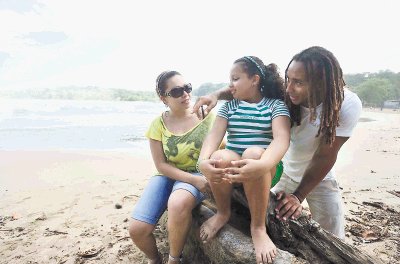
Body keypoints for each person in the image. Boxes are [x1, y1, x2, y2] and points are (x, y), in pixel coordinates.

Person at [193, 46, 362, 240]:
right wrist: (215, 95)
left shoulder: (345, 104)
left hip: (318, 173)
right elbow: (247, 90)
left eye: (298, 82)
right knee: (271, 217)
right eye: (288, 79)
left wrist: (299, 196)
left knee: (333, 230)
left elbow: (326, 155)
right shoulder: (286, 94)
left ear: (319, 83)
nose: (289, 88)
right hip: (281, 165)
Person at [197, 56, 291, 264]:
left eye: (235, 78)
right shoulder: (229, 107)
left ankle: (258, 227)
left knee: (254, 154)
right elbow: (213, 137)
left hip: (265, 169)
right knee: (219, 157)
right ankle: (223, 212)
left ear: (255, 79)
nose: (230, 84)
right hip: (234, 169)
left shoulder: (275, 106)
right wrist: (203, 162)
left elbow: (281, 140)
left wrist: (263, 164)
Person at [129, 71, 215, 264]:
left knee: (177, 204)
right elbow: (160, 164)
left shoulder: (206, 117)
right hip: (168, 175)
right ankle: (154, 259)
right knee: (137, 230)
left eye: (187, 88)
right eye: (176, 91)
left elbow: (223, 146)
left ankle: (174, 259)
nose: (185, 94)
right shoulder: (157, 124)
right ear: (163, 98)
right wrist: (193, 180)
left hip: (197, 172)